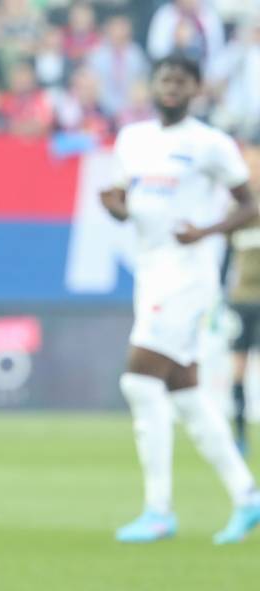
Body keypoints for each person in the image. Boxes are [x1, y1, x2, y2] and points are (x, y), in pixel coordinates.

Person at [99, 55, 260, 545]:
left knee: (138, 380)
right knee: (185, 393)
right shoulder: (133, 139)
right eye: (165, 80)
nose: (171, 88)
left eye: (181, 82)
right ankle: (247, 496)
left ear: (196, 90)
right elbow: (121, 195)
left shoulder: (210, 144)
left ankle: (158, 509)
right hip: (150, 269)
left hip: (188, 274)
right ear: (153, 86)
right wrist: (116, 207)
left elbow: (251, 204)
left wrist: (206, 232)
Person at [226, 146, 260, 453]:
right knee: (238, 368)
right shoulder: (236, 210)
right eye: (249, 165)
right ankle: (240, 435)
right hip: (242, 300)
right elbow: (225, 256)